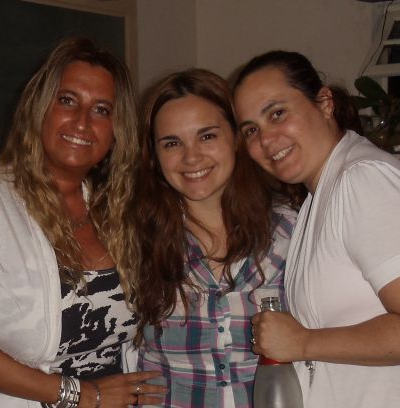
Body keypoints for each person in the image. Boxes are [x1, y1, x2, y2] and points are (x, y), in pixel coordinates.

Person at [0, 37, 166, 408]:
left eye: (101, 109)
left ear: (115, 130)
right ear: (39, 108)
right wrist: (83, 395)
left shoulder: (118, 211)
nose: (82, 121)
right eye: (67, 100)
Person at [232, 50, 400, 407]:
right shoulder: (321, 195)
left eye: (277, 113)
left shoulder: (364, 179)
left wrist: (303, 342)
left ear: (325, 103)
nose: (265, 140)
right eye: (251, 130)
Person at [129, 68, 301, 407]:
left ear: (236, 138)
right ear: (154, 155)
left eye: (207, 136)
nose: (191, 157)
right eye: (172, 143)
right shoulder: (134, 241)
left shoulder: (292, 231)